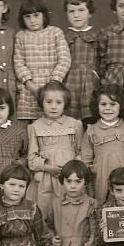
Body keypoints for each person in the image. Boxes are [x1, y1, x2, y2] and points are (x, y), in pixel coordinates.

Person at [26, 81, 83, 219]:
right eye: (49, 102)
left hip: (69, 179)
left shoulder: (75, 124)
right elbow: (31, 160)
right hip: (45, 179)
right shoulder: (35, 127)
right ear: (41, 103)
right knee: (45, 212)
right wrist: (47, 167)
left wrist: (74, 171)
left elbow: (80, 153)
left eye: (58, 102)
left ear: (65, 103)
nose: (53, 106)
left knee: (69, 213)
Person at [44, 160, 99, 246]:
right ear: (62, 181)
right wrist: (52, 237)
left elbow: (96, 234)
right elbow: (48, 226)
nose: (73, 186)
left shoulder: (92, 204)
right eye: (69, 181)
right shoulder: (55, 203)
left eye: (78, 181)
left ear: (85, 182)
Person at [13, 0, 71, 121]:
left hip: (52, 86)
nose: (32, 20)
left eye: (36, 15)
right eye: (27, 17)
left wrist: (53, 83)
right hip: (29, 89)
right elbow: (18, 63)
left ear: (44, 15)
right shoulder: (20, 36)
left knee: (53, 119)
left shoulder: (55, 32)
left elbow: (64, 60)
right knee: (30, 124)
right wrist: (31, 85)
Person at [81, 84, 124, 206]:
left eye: (112, 104)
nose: (108, 108)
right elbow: (86, 161)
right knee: (103, 208)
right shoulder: (91, 130)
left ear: (121, 106)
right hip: (101, 180)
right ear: (97, 106)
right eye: (103, 104)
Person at [63, 0, 101, 124]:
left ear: (90, 12)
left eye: (81, 10)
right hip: (70, 83)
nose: (76, 15)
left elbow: (102, 61)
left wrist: (97, 75)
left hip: (90, 83)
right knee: (70, 119)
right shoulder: (63, 37)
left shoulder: (98, 36)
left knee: (91, 118)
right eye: (71, 11)